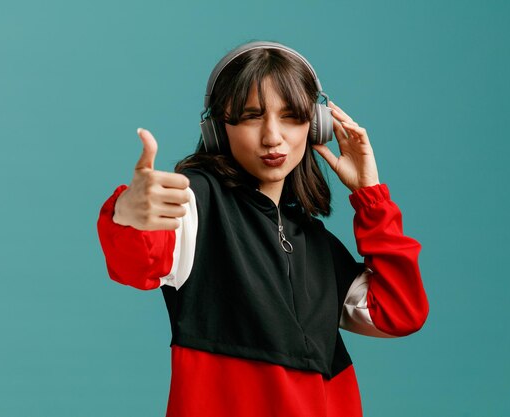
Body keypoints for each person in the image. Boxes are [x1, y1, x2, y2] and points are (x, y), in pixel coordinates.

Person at [96, 40, 429, 417]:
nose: (273, 136)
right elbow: (139, 260)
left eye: (291, 116)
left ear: (316, 126)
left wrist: (370, 197)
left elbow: (399, 313)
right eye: (252, 116)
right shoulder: (196, 202)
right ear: (219, 129)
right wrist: (127, 210)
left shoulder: (314, 242)